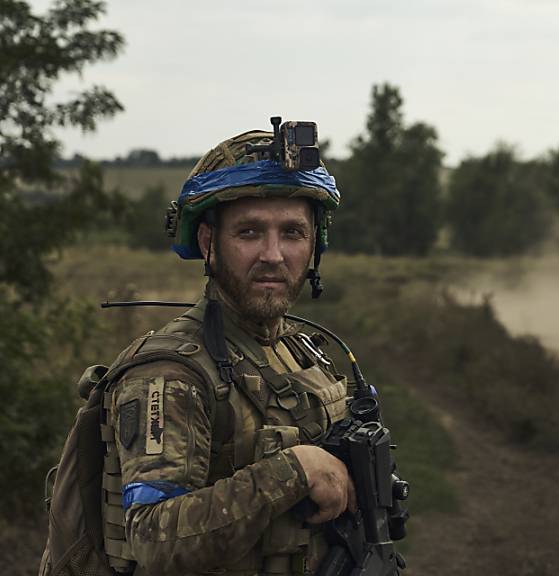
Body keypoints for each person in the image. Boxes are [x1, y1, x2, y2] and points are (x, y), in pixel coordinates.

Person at [43, 127, 361, 575]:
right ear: (210, 244)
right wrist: (296, 470)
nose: (273, 254)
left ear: (314, 246)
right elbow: (153, 537)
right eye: (249, 232)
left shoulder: (298, 348)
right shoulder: (172, 374)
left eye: (292, 232)